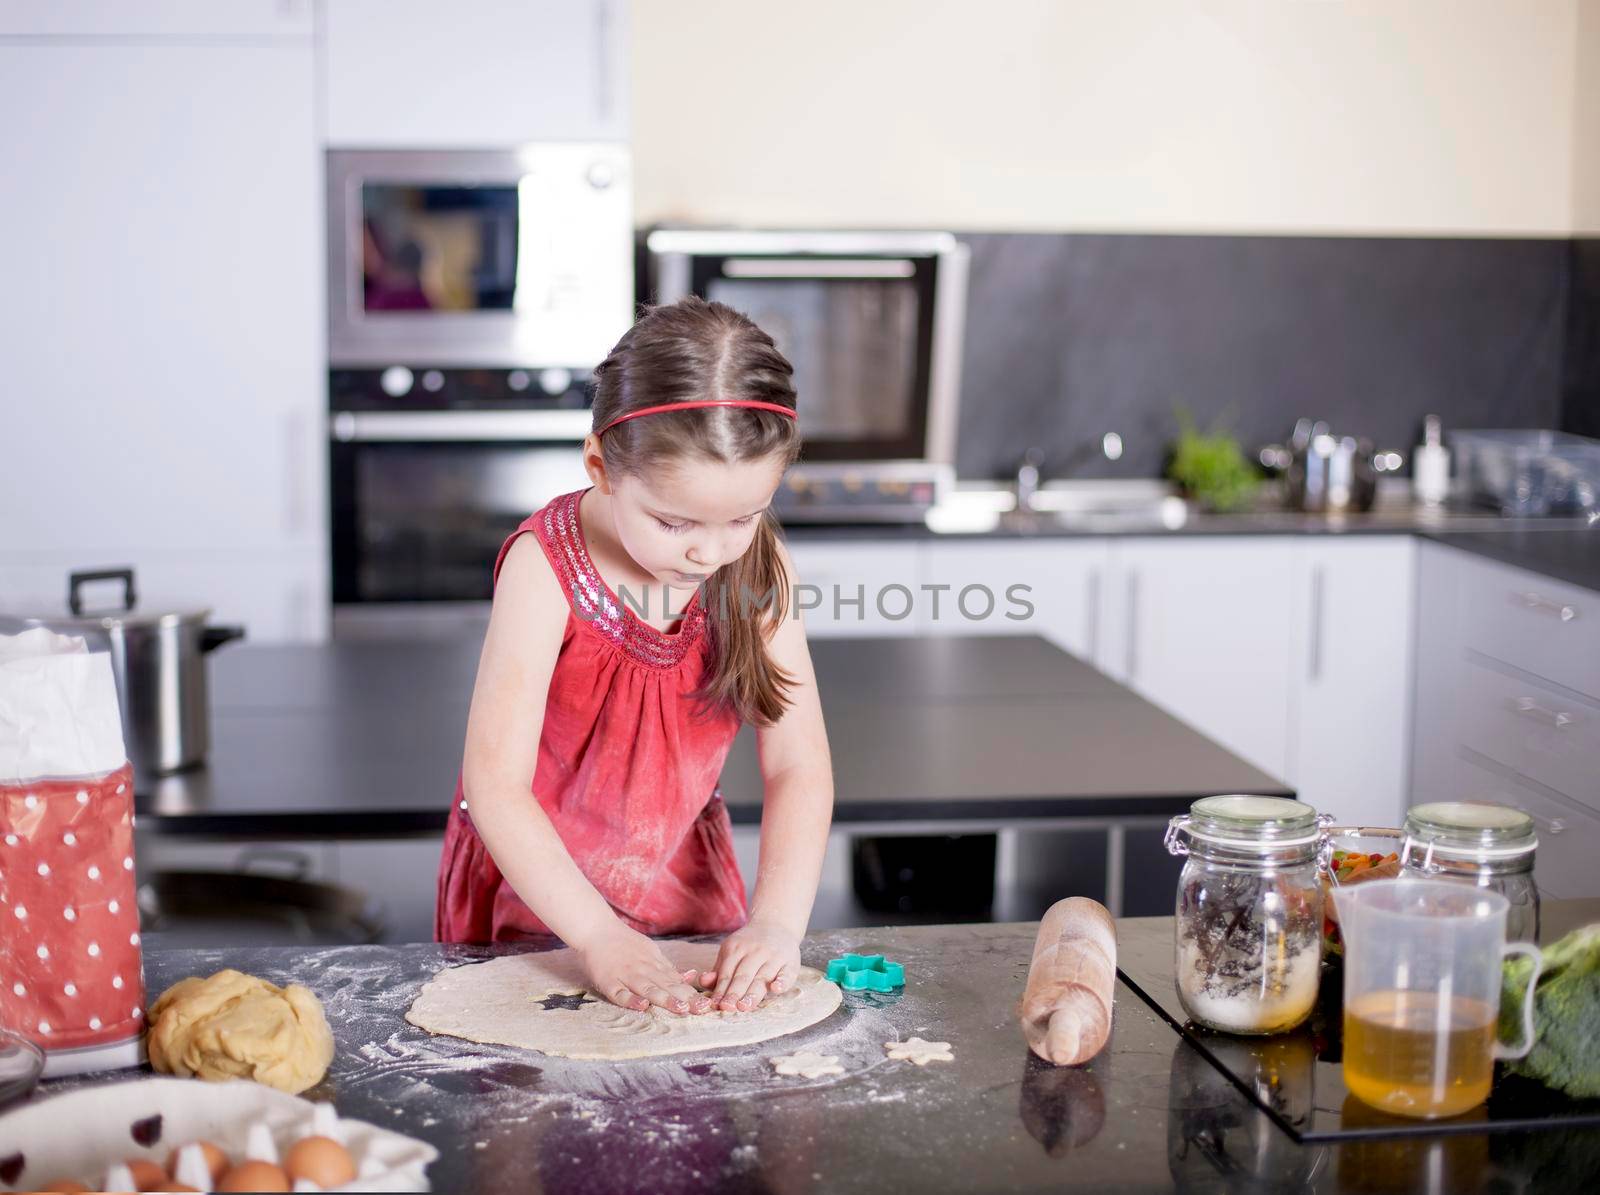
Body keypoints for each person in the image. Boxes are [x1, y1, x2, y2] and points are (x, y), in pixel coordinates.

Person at [435, 297, 834, 1019]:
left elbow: (798, 765)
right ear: (602, 467)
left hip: (682, 885)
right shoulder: (544, 568)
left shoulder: (756, 568)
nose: (709, 551)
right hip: (543, 898)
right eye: (674, 521)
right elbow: (495, 785)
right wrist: (597, 937)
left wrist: (776, 923)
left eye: (743, 518)